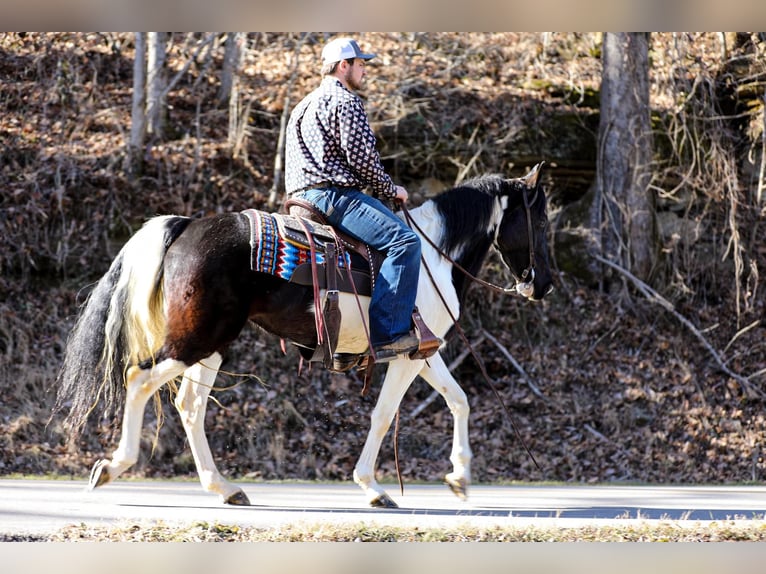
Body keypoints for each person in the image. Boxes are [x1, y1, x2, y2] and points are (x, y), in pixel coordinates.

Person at [285, 37, 435, 362]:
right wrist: (390, 189)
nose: (364, 71)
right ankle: (388, 335)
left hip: (298, 201)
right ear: (344, 66)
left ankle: (346, 342)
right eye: (361, 64)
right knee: (404, 242)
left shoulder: (302, 106)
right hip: (334, 197)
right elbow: (363, 159)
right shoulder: (345, 101)